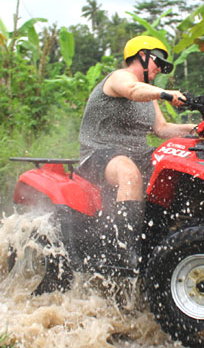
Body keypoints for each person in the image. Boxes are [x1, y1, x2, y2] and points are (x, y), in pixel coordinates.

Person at [77, 35, 196, 270]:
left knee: (179, 170)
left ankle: (167, 238)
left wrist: (196, 129)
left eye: (163, 66)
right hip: (100, 153)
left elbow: (162, 129)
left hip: (139, 153)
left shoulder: (149, 95)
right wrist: (166, 93)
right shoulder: (121, 78)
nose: (160, 69)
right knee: (128, 172)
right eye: (158, 62)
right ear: (142, 56)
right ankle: (122, 251)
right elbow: (131, 90)